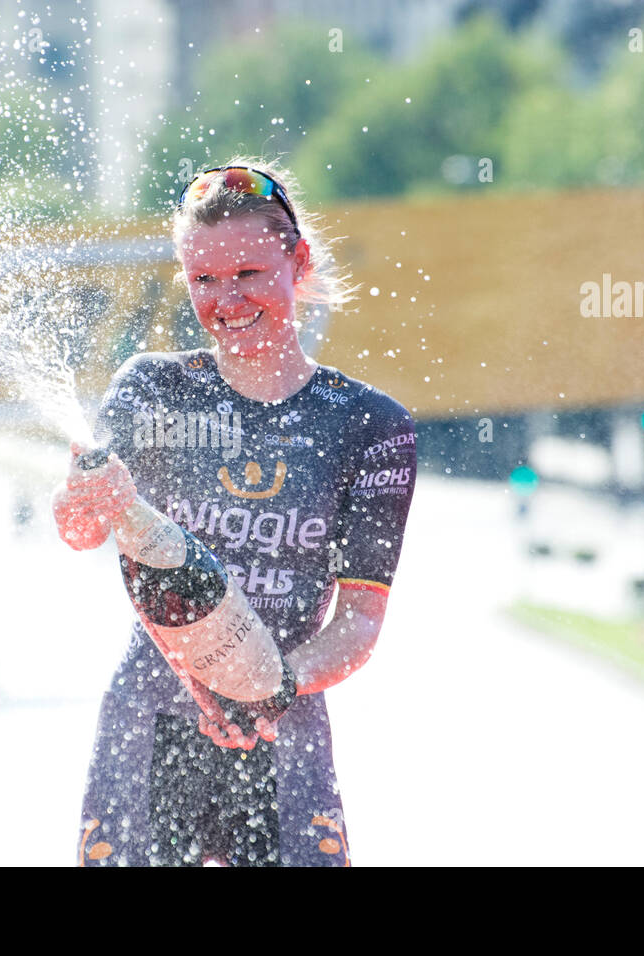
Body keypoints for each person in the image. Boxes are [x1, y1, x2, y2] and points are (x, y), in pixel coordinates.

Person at [53, 158, 417, 866]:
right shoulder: (154, 387)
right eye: (203, 280)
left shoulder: (369, 425)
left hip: (284, 724)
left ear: (298, 260)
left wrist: (271, 687)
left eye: (248, 273)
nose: (227, 299)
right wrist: (78, 498)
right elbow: (81, 532)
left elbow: (359, 625)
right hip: (149, 721)